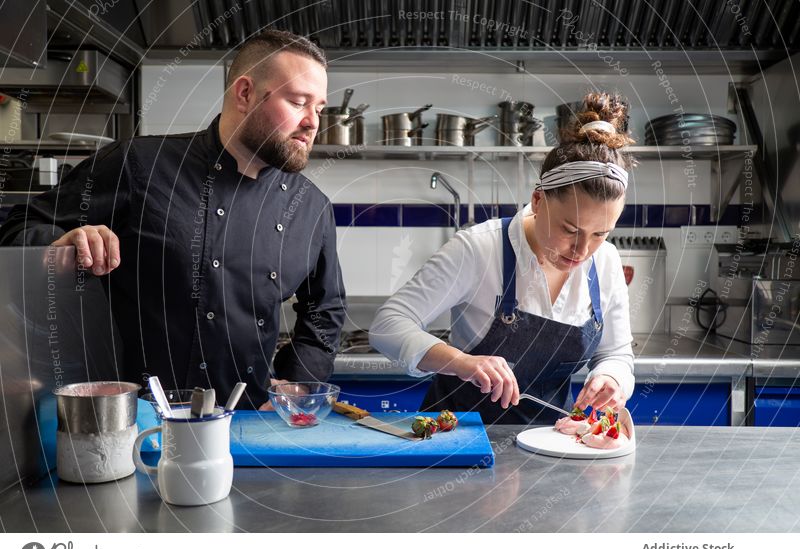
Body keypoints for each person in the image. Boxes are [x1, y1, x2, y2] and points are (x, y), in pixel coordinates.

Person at [0, 29, 346, 409]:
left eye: (320, 108)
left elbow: (324, 310)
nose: (313, 122)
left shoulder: (312, 208)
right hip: (135, 421)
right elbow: (16, 228)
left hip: (249, 424)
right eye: (299, 102)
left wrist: (297, 382)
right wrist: (61, 243)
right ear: (245, 93)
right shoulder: (138, 166)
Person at [370, 92, 635, 424]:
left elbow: (616, 353)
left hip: (550, 441)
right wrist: (461, 362)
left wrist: (612, 378)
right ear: (538, 201)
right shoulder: (480, 248)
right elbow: (387, 326)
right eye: (570, 229)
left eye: (600, 234)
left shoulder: (606, 262)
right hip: (458, 438)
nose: (582, 251)